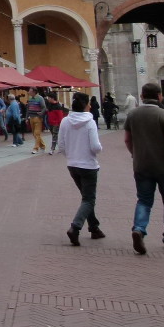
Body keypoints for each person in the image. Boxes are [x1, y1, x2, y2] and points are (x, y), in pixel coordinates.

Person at [124, 83, 164, 254]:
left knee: (144, 200)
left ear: (142, 96)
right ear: (159, 96)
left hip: (141, 165)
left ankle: (139, 228)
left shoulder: (133, 114)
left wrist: (134, 154)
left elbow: (127, 140)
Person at [59, 92, 104, 245]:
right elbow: (95, 146)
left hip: (72, 164)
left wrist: (70, 155)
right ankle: (75, 227)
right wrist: (99, 150)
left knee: (86, 198)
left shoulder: (65, 121)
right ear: (86, 105)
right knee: (89, 199)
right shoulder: (90, 122)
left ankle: (94, 228)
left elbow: (61, 145)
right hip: (88, 165)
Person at [26, 87, 47, 154]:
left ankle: (36, 148)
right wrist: (26, 118)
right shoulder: (30, 99)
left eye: (30, 91)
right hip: (31, 117)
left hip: (37, 117)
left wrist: (41, 113)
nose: (28, 92)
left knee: (37, 133)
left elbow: (44, 107)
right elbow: (28, 109)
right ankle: (43, 146)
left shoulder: (40, 98)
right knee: (34, 134)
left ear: (34, 92)